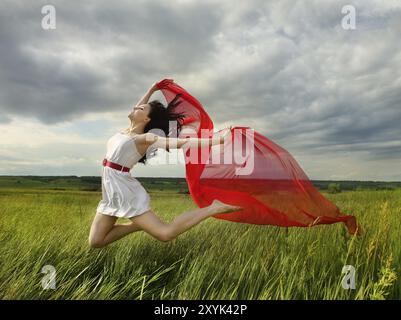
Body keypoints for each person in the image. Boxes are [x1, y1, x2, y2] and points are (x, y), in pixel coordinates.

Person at [88, 80, 242, 248]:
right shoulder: (126, 131)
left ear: (146, 118)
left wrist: (218, 140)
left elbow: (180, 143)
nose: (136, 107)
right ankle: (138, 224)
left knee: (165, 233)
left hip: (123, 189)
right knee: (96, 241)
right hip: (110, 189)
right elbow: (139, 107)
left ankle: (213, 208)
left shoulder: (144, 138)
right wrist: (153, 88)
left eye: (141, 108)